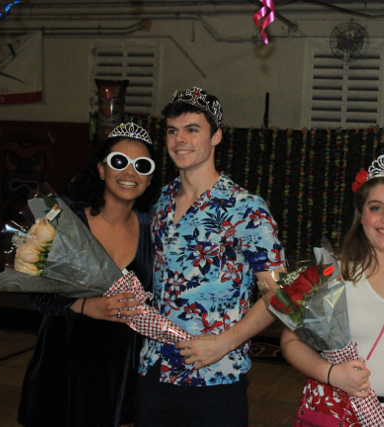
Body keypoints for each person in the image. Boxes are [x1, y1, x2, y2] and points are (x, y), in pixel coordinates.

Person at [135, 87, 285, 427]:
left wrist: (223, 344)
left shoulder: (245, 208)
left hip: (215, 376)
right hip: (154, 370)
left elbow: (282, 294)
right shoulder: (158, 200)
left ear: (216, 136)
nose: (179, 140)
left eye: (192, 129)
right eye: (173, 131)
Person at [14, 122, 161, 427]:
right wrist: (82, 305)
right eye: (119, 162)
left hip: (117, 376)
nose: (130, 172)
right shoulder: (63, 218)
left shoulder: (154, 230)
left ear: (150, 178)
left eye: (142, 165)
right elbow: (21, 280)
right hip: (62, 367)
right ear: (101, 169)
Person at [281, 153, 384, 427]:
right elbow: (290, 341)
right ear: (362, 216)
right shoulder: (333, 272)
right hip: (336, 409)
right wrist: (329, 373)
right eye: (376, 207)